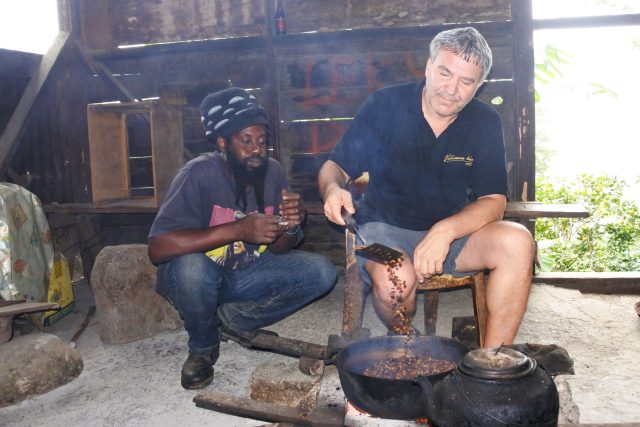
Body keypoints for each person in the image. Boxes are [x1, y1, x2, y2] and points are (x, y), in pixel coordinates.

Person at [317, 27, 534, 347]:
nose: (451, 89)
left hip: (453, 236)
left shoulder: (485, 121)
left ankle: (492, 364)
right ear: (429, 66)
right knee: (397, 281)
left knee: (518, 241)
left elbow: (493, 201)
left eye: (466, 81)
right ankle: (404, 338)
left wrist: (445, 231)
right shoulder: (385, 104)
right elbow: (334, 167)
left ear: (480, 86)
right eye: (445, 72)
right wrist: (333, 190)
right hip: (382, 229)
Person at [148, 87, 337, 390]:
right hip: (194, 280)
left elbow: (279, 248)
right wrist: (238, 230)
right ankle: (203, 347)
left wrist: (290, 224)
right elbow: (157, 249)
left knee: (323, 272)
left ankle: (230, 321)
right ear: (223, 143)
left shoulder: (272, 172)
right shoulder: (198, 174)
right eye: (246, 141)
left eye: (262, 141)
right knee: (192, 267)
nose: (256, 150)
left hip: (243, 275)